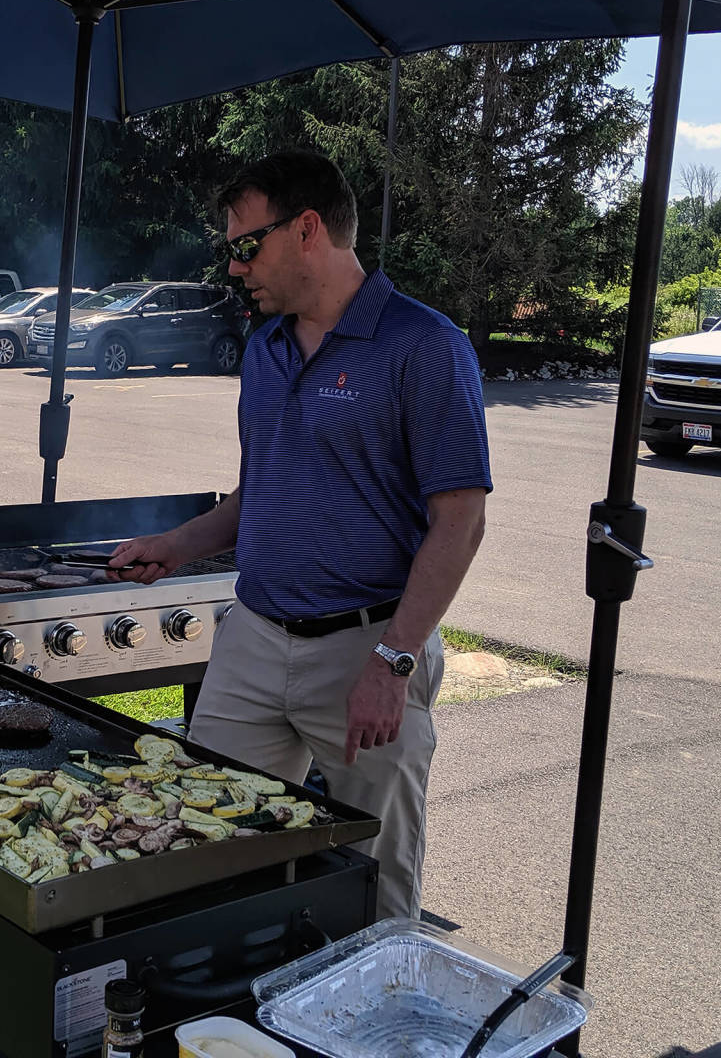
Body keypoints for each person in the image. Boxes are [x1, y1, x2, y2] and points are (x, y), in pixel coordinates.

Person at [108, 150, 491, 921]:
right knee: (202, 836)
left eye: (245, 245)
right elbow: (263, 490)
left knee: (374, 877)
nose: (235, 266)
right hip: (252, 639)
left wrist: (393, 660)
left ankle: (364, 1023)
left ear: (307, 229)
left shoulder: (424, 345)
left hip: (366, 647)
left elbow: (461, 519)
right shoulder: (266, 351)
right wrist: (179, 544)